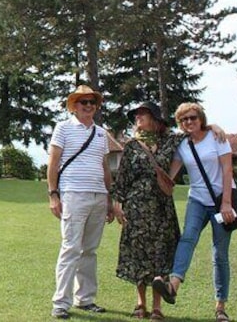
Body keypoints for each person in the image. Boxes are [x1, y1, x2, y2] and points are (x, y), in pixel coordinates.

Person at [153, 102, 236, 322]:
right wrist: (158, 175)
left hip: (220, 201)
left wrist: (226, 203)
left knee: (220, 254)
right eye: (184, 119)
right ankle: (173, 286)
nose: (189, 122)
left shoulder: (217, 137)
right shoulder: (182, 144)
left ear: (201, 119)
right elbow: (171, 175)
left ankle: (220, 306)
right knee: (187, 238)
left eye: (193, 118)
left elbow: (228, 171)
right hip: (197, 200)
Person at [46, 85, 114, 320]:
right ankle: (61, 303)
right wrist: (53, 194)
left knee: (90, 251)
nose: (88, 106)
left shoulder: (102, 134)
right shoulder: (63, 128)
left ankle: (85, 299)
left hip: (98, 195)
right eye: (83, 102)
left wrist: (109, 199)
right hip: (73, 194)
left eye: (92, 102)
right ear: (74, 106)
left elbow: (105, 168)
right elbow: (53, 163)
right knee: (71, 248)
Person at [112, 102, 183, 321]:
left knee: (159, 255)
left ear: (155, 118)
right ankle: (140, 303)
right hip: (136, 207)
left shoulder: (170, 141)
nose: (138, 118)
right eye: (136, 115)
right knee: (138, 255)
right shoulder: (132, 145)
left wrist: (214, 128)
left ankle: (157, 307)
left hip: (161, 207)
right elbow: (122, 177)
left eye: (142, 114)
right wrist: (117, 204)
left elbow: (195, 132)